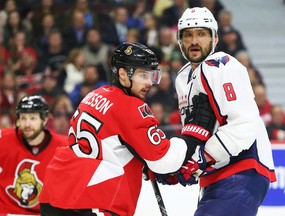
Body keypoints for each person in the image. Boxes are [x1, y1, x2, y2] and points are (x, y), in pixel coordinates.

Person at [38, 42, 216, 216]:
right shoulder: (132, 107)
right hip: (93, 201)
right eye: (143, 75)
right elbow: (164, 160)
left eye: (152, 76)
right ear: (123, 74)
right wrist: (192, 135)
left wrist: (141, 159)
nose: (149, 83)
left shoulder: (94, 95)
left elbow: (111, 144)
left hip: (57, 194)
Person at [171, 7, 276, 216]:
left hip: (243, 168)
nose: (194, 41)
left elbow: (243, 124)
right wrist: (183, 164)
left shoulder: (222, 65)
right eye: (188, 35)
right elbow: (198, 130)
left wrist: (203, 157)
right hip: (215, 174)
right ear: (179, 40)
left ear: (215, 38)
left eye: (202, 34)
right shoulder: (183, 77)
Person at [0, 95, 68, 215]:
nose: (27, 124)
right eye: (23, 118)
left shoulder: (63, 147)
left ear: (45, 119)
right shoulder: (3, 139)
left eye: (32, 118)